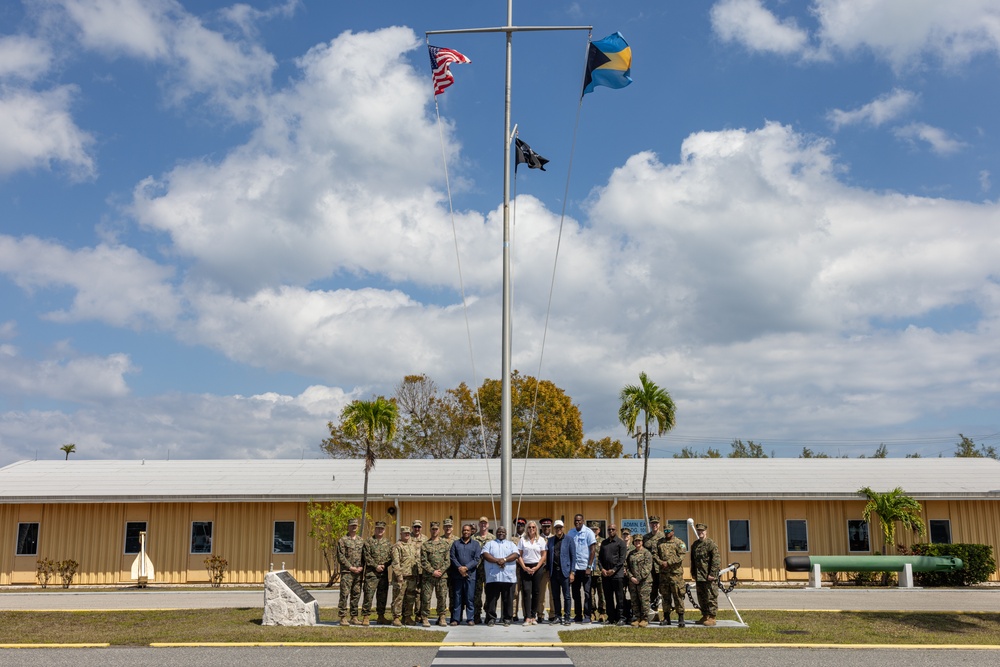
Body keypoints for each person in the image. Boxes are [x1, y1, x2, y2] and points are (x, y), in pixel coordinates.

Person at [481, 526, 519, 626]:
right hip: (493, 577)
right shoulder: (490, 544)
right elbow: (485, 554)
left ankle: (507, 618)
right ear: (496, 533)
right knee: (492, 600)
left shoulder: (511, 544)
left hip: (508, 577)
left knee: (508, 600)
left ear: (506, 534)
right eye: (499, 532)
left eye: (503, 532)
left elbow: (515, 555)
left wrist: (504, 560)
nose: (501, 533)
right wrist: (497, 560)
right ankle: (491, 619)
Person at [361, 520, 393, 625]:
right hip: (371, 574)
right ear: (375, 529)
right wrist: (376, 566)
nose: (380, 530)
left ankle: (381, 616)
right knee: (368, 595)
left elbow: (390, 557)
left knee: (382, 596)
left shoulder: (387, 543)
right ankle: (366, 616)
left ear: (384, 530)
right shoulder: (369, 541)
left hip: (383, 574)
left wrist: (384, 565)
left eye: (382, 529)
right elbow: (366, 556)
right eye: (378, 528)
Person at [449, 523, 481, 626]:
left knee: (469, 597)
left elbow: (476, 559)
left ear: (471, 531)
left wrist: (466, 568)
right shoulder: (456, 543)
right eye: (464, 530)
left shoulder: (475, 544)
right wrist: (460, 568)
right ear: (462, 531)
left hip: (470, 575)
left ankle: (470, 619)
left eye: (468, 530)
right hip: (457, 575)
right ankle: (456, 619)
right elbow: (452, 557)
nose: (466, 532)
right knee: (457, 597)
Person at [656, 523, 688, 627]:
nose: (667, 533)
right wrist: (661, 562)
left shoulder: (679, 543)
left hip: (675, 575)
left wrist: (668, 562)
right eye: (665, 531)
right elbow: (654, 554)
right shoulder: (659, 542)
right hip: (664, 574)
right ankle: (666, 618)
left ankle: (681, 618)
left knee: (678, 596)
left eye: (669, 531)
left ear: (673, 532)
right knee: (665, 597)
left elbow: (682, 555)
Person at [566, 513, 596, 623]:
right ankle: (578, 615)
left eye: (579, 520)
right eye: (575, 520)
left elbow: (592, 550)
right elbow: (568, 550)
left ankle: (587, 616)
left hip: (585, 568)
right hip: (575, 568)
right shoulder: (570, 533)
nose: (577, 522)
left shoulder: (589, 532)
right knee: (575, 593)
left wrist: (589, 566)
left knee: (587, 593)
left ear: (583, 521)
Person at [516, 520, 547, 625]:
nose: (531, 529)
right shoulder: (522, 540)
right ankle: (527, 617)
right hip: (525, 567)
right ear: (527, 529)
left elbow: (543, 555)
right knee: (526, 591)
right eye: (529, 527)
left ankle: (534, 616)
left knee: (536, 592)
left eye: (533, 527)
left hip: (537, 567)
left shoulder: (541, 540)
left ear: (536, 529)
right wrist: (524, 567)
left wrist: (537, 567)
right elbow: (518, 555)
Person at [420, 521, 450, 627]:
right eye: (433, 529)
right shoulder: (425, 545)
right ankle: (425, 617)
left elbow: (447, 561)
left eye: (436, 529)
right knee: (426, 597)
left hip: (442, 576)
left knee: (442, 596)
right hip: (428, 576)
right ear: (430, 530)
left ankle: (442, 617)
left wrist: (440, 571)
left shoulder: (445, 544)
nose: (434, 531)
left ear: (439, 530)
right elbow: (423, 561)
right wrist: (433, 571)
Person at [546, 518, 576, 625]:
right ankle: (558, 616)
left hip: (565, 572)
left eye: (560, 527)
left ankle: (567, 617)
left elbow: (573, 556)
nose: (558, 529)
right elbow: (548, 557)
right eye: (556, 528)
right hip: (554, 572)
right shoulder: (550, 540)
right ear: (554, 529)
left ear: (563, 528)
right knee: (555, 596)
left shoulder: (569, 539)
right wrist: (549, 571)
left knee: (567, 596)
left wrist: (572, 572)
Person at [691, 522, 721, 626]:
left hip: (709, 576)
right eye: (699, 531)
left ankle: (712, 617)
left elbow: (716, 560)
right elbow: (693, 560)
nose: (700, 533)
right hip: (699, 576)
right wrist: (693, 572)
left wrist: (712, 573)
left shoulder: (711, 544)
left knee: (711, 596)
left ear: (705, 532)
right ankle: (705, 615)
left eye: (702, 531)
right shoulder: (695, 545)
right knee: (701, 597)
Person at [336, 517, 364, 625]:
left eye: (355, 526)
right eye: (352, 525)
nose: (354, 527)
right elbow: (340, 556)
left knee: (356, 594)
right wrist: (350, 567)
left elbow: (364, 556)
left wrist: (362, 566)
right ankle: (343, 616)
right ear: (348, 526)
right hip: (347, 572)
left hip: (358, 572)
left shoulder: (361, 541)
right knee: (344, 594)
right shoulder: (343, 540)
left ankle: (354, 616)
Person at [390, 525, 420, 626]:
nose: (407, 535)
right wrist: (399, 576)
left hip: (412, 576)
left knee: (410, 597)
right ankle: (396, 617)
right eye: (405, 533)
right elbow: (395, 562)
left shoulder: (412, 545)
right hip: (401, 577)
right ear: (401, 534)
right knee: (398, 598)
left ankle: (407, 616)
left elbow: (416, 559)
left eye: (408, 533)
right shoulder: (397, 546)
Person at [598, 523, 627, 625]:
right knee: (608, 597)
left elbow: (622, 559)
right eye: (609, 529)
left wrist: (614, 570)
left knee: (619, 598)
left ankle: (621, 618)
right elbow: (600, 558)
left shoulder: (621, 543)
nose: (611, 531)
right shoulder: (604, 543)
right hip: (606, 575)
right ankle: (611, 618)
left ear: (616, 530)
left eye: (613, 529)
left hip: (617, 575)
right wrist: (602, 569)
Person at [472, 516, 495, 624]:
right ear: (479, 524)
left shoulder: (492, 538)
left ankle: (488, 615)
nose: (483, 525)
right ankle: (477, 614)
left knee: (489, 592)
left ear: (488, 525)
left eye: (485, 523)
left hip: (488, 570)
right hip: (476, 570)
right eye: (481, 523)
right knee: (476, 593)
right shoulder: (473, 538)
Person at [626, 533, 652, 627]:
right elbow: (627, 567)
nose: (637, 542)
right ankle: (637, 618)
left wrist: (639, 578)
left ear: (642, 542)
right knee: (634, 600)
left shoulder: (646, 553)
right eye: (636, 541)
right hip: (633, 581)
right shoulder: (631, 554)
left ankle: (645, 619)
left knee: (644, 600)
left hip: (644, 581)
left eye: (639, 541)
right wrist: (631, 577)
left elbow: (648, 568)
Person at [643, 516, 666, 613]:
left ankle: (666, 614)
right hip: (650, 569)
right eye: (652, 523)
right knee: (652, 591)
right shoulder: (646, 538)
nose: (654, 525)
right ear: (650, 524)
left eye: (656, 523)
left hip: (661, 568)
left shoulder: (664, 537)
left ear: (659, 525)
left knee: (664, 591)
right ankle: (653, 612)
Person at [587, 520, 606, 622]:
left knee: (601, 593)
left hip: (600, 571)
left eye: (596, 529)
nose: (594, 531)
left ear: (599, 530)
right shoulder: (587, 540)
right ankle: (592, 612)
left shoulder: (603, 541)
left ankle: (602, 612)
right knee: (590, 593)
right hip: (589, 571)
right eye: (592, 529)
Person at [537, 518, 554, 621]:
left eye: (548, 526)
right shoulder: (538, 538)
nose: (546, 528)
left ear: (550, 527)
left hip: (552, 570)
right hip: (542, 569)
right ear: (541, 527)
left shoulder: (554, 537)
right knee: (541, 594)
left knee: (553, 593)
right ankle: (540, 614)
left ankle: (552, 614)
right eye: (544, 526)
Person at [511, 517, 527, 621]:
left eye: (521, 525)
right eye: (518, 525)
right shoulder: (512, 539)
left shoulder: (528, 538)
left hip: (525, 569)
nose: (520, 527)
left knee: (526, 592)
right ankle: (513, 614)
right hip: (515, 570)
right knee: (515, 593)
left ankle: (526, 614)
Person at [411, 519, 426, 620]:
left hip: (422, 570)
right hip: (410, 570)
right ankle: (406, 614)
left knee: (421, 592)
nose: (417, 529)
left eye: (419, 527)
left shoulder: (425, 539)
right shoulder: (408, 537)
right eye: (415, 527)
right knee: (410, 592)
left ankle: (419, 614)